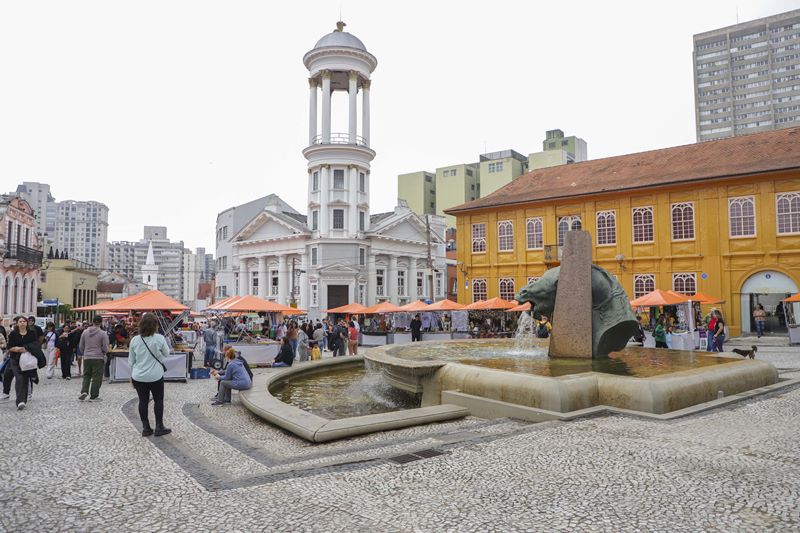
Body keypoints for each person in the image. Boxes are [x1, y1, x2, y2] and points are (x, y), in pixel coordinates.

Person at [128, 313, 171, 437]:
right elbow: (167, 353)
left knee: (143, 401)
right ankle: (159, 426)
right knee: (158, 400)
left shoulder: (135, 340)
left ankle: (146, 427)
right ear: (155, 326)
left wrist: (132, 373)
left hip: (138, 376)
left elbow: (131, 361)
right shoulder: (159, 338)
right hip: (155, 375)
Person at [4, 316, 39, 410]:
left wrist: (27, 348)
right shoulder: (13, 334)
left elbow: (35, 345)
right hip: (15, 359)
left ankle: (23, 400)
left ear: (27, 323)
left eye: (24, 321)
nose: (22, 323)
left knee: (25, 379)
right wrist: (18, 349)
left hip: (27, 359)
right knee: (19, 378)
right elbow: (9, 347)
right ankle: (19, 401)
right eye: (20, 321)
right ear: (17, 323)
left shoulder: (31, 333)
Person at [78, 315, 109, 402]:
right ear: (101, 322)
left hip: (87, 356)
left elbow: (81, 345)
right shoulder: (103, 333)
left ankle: (84, 391)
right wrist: (104, 352)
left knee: (86, 375)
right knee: (97, 377)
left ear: (92, 321)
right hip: (98, 357)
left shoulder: (85, 332)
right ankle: (94, 396)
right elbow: (105, 347)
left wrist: (85, 352)